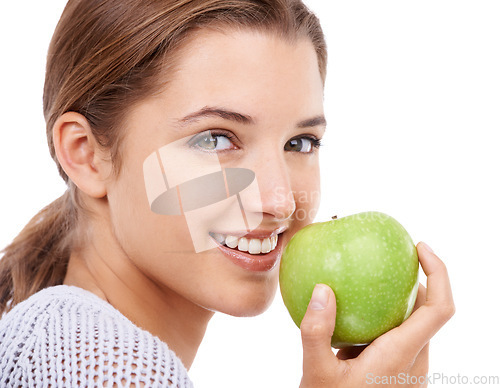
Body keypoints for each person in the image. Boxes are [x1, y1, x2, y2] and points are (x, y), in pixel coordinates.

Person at [0, 0, 454, 386]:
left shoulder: (57, 341)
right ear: (85, 155)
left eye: (300, 143)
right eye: (216, 139)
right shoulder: (90, 357)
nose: (279, 201)